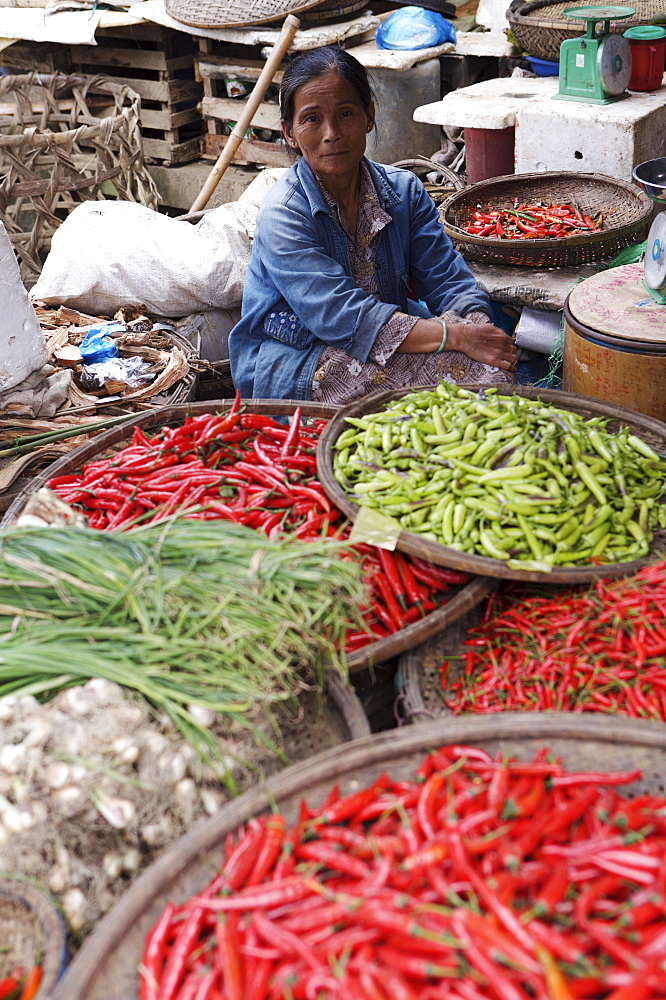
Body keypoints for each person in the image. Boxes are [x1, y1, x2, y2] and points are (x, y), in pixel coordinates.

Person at [229, 45, 517, 403]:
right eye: (312, 119)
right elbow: (339, 316)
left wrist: (476, 329)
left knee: (491, 369)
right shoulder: (284, 213)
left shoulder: (403, 192)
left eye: (346, 113)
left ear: (369, 115)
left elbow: (447, 278)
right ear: (289, 132)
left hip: (389, 337)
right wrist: (454, 337)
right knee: (423, 397)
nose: (331, 132)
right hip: (300, 357)